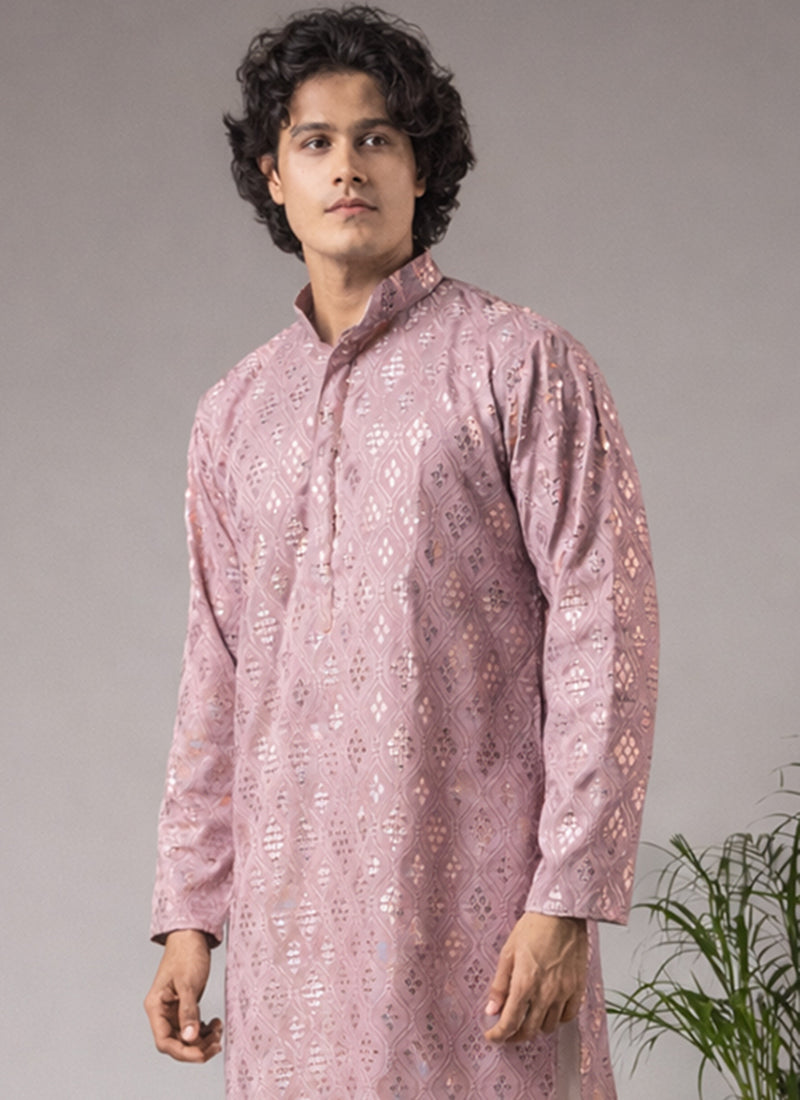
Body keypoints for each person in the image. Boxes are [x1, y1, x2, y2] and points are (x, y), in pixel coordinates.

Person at [144, 6, 658, 1098]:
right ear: (274, 175)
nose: (347, 166)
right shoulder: (234, 413)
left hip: (480, 908)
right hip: (288, 922)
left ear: (421, 168)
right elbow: (216, 673)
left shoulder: (519, 365)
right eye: (315, 141)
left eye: (377, 138)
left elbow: (602, 635)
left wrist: (565, 897)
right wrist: (190, 914)